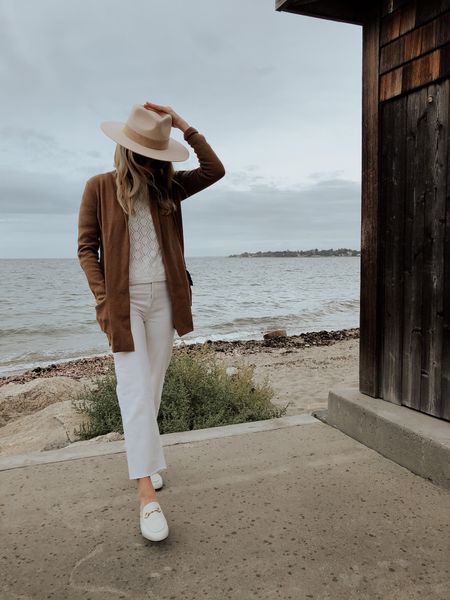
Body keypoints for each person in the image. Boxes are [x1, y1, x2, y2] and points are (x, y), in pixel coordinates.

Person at [77, 101, 225, 541]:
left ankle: (147, 459)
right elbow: (87, 248)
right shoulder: (99, 187)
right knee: (134, 387)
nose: (151, 163)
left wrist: (182, 125)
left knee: (153, 386)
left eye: (158, 156)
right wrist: (103, 298)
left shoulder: (169, 189)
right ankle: (146, 494)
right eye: (145, 155)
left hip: (166, 299)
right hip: (124, 305)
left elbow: (215, 169)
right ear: (127, 151)